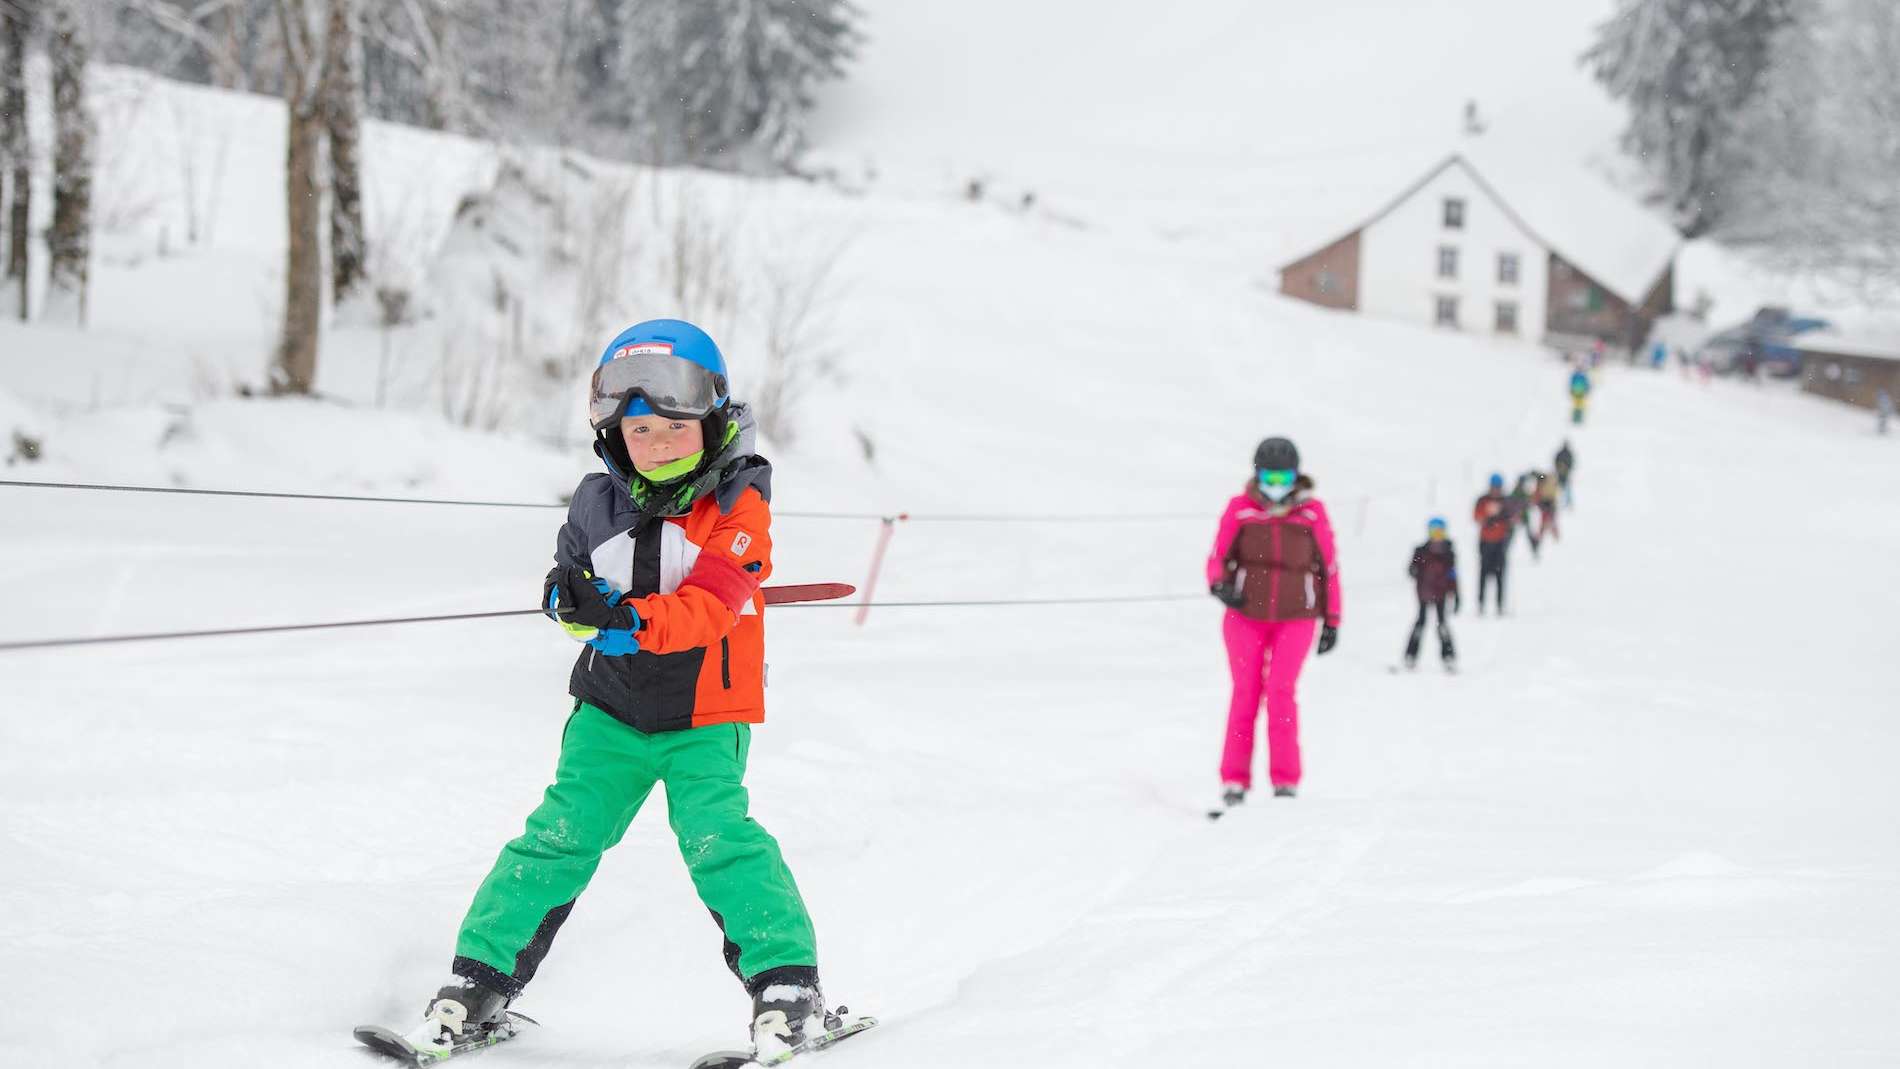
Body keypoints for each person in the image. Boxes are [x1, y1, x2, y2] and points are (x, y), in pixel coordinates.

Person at [390, 319, 829, 1064]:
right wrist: (571, 604)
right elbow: (572, 588)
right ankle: (476, 984)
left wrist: (626, 620)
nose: (654, 445)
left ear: (712, 420)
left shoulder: (740, 504)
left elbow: (711, 606)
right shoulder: (595, 501)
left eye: (671, 429)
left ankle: (788, 991)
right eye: (638, 431)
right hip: (610, 710)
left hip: (704, 712)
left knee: (718, 836)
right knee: (558, 836)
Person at [1206, 436, 1342, 814]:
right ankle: (1234, 781)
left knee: (1281, 692)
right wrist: (1219, 583)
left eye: (1285, 476)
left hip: (1295, 618)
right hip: (1246, 615)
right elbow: (1219, 555)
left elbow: (1327, 569)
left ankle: (1285, 782)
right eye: (1270, 475)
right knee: (1245, 693)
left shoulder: (1312, 512)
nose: (1277, 483)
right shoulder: (1242, 509)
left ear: (1297, 475)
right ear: (1257, 473)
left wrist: (1332, 619)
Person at [1403, 517, 1460, 671]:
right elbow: (1412, 568)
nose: (1436, 535)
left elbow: (1453, 575)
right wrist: (1414, 569)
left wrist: (1456, 594)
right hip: (1423, 593)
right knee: (1420, 623)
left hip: (1441, 594)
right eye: (1434, 532)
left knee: (1442, 625)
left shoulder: (1448, 552)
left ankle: (1448, 657)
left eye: (1439, 532)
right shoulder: (1421, 550)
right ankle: (1410, 656)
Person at [1472, 473, 1515, 614]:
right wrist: (1488, 519)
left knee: (1500, 576)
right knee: (1483, 574)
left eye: (1498, 487)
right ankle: (1481, 604)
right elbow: (1476, 516)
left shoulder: (1506, 501)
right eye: (1494, 487)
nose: (1496, 490)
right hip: (1486, 542)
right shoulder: (1482, 500)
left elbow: (1513, 517)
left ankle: (1500, 605)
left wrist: (1503, 519)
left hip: (1500, 543)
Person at [1510, 472, 1541, 559]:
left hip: (1524, 516)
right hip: (1517, 516)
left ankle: (1535, 549)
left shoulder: (1525, 492)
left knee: (1529, 534)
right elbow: (1513, 503)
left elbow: (1530, 502)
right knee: (1511, 533)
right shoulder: (1517, 492)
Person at [1533, 471, 1561, 544]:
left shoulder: (1544, 480)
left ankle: (1552, 534)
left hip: (1547, 503)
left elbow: (1541, 477)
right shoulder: (1545, 480)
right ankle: (1552, 534)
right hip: (1547, 503)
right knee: (1548, 519)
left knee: (1548, 519)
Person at [1553, 440, 1576, 508]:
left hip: (1565, 474)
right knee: (1559, 489)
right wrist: (1559, 468)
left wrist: (1566, 468)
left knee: (1567, 489)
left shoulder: (1567, 453)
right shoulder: (1563, 453)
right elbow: (1556, 461)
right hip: (1560, 474)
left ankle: (1568, 503)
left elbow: (1571, 463)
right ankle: (1560, 502)